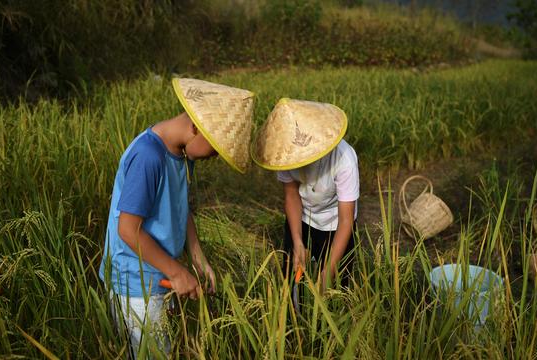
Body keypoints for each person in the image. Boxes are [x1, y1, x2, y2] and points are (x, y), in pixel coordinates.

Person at [99, 78, 255, 357]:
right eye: (214, 150)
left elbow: (180, 208)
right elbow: (128, 229)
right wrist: (176, 271)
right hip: (136, 285)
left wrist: (197, 258)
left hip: (160, 275)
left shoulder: (183, 156)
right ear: (197, 127)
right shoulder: (149, 157)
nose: (213, 158)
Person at [252, 98, 359, 290]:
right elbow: (291, 196)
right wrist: (298, 240)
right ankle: (295, 315)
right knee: (293, 275)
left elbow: (346, 221)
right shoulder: (284, 154)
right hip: (303, 219)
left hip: (336, 224)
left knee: (338, 283)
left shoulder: (344, 159)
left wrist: (327, 274)